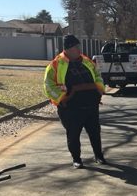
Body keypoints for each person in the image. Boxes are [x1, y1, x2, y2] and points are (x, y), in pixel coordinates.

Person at [44, 34, 107, 168]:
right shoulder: (55, 64)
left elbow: (98, 75)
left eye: (79, 46)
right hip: (71, 109)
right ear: (67, 48)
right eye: (76, 47)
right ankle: (76, 159)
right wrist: (64, 98)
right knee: (73, 135)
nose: (79, 50)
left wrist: (99, 90)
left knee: (95, 133)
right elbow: (49, 85)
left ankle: (99, 156)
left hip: (91, 106)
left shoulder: (87, 60)